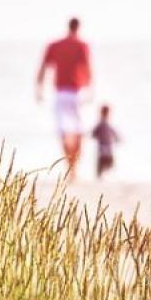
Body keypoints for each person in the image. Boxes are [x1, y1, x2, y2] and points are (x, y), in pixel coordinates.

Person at [36, 17, 92, 182]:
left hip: (60, 93)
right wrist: (90, 89)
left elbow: (43, 68)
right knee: (78, 131)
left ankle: (70, 166)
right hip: (77, 92)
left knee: (64, 131)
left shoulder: (55, 45)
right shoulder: (82, 45)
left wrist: (38, 89)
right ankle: (74, 167)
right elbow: (88, 68)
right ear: (78, 27)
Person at [91, 104, 119, 179]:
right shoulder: (101, 124)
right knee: (103, 161)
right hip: (103, 145)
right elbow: (93, 133)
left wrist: (117, 138)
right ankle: (100, 175)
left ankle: (104, 174)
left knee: (108, 161)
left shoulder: (106, 123)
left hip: (107, 146)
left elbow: (114, 132)